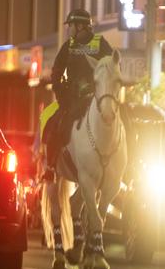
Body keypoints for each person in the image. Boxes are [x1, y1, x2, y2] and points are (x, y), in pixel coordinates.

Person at [41, 9, 114, 181]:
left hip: (97, 98)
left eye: (71, 26)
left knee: (122, 121)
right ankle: (51, 166)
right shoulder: (69, 45)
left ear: (81, 26)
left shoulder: (101, 43)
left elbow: (114, 66)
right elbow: (57, 71)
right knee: (53, 125)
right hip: (72, 99)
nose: (69, 30)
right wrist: (59, 91)